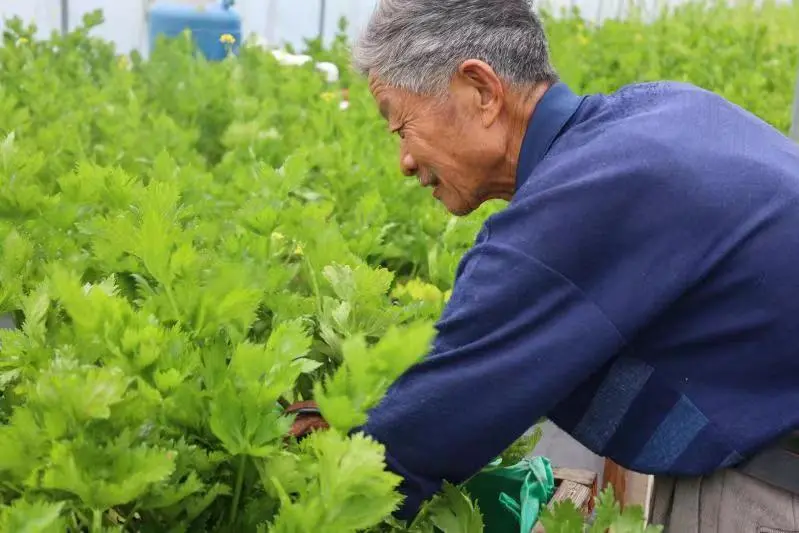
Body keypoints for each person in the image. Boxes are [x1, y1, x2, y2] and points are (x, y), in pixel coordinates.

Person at [291, 1, 799, 530]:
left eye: (401, 126)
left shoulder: (585, 198)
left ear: (482, 91)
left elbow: (427, 430)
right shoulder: (660, 113)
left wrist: (310, 470)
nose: (405, 162)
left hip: (774, 489)